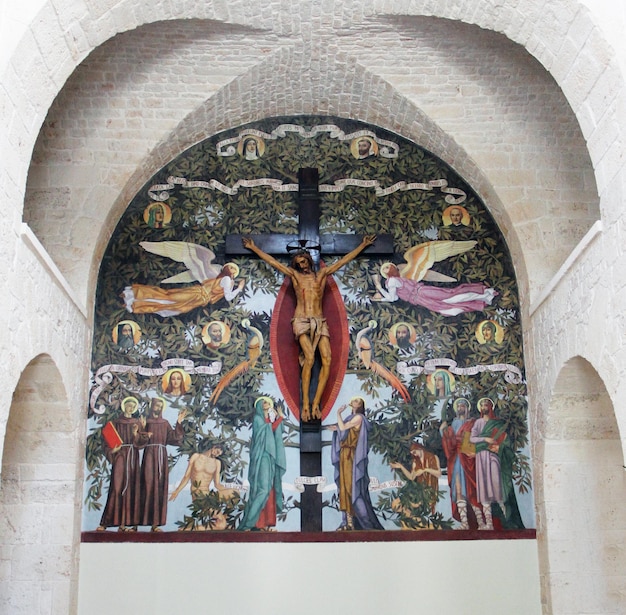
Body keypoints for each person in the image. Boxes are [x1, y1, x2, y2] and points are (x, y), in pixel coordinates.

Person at [243, 234, 376, 421]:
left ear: (309, 261)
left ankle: (316, 403)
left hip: (320, 321)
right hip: (301, 320)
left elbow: (342, 262)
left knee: (328, 360)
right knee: (310, 358)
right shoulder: (295, 276)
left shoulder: (321, 275)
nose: (302, 265)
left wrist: (362, 246)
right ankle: (305, 403)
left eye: (304, 261)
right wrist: (254, 248)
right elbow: (275, 264)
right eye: (299, 263)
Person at [470, 397, 524, 530]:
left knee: (497, 486)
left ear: (491, 407)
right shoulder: (478, 422)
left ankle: (507, 520)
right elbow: (471, 438)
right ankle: (489, 524)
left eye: (486, 404)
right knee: (483, 487)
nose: (484, 407)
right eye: (482, 405)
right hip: (481, 457)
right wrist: (486, 439)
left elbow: (506, 441)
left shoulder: (498, 424)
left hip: (494, 456)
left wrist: (498, 447)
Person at [329, 398, 383, 530]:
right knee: (344, 489)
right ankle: (349, 522)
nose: (353, 401)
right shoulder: (351, 417)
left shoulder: (358, 418)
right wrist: (336, 429)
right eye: (353, 400)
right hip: (344, 456)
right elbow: (342, 431)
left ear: (360, 405)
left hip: (351, 457)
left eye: (357, 401)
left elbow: (343, 427)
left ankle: (363, 522)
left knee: (352, 488)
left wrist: (338, 414)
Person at [373, 262, 497, 316]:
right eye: (385, 269)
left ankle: (483, 294)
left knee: (449, 297)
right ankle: (482, 298)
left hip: (421, 293)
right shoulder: (394, 280)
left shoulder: (392, 281)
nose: (387, 269)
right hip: (420, 297)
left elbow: (391, 298)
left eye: (388, 267)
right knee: (448, 304)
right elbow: (393, 298)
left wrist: (379, 288)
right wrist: (380, 291)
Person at [97, 397, 147, 532]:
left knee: (132, 487)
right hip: (120, 456)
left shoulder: (137, 423)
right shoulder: (115, 422)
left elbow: (142, 443)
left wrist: (136, 433)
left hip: (133, 456)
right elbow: (106, 441)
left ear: (134, 408)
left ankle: (130, 523)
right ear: (124, 407)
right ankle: (108, 522)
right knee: (117, 487)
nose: (130, 408)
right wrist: (113, 450)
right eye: (128, 406)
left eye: (132, 406)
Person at [124, 262, 243, 317]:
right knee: (169, 299)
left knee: (170, 303)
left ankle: (135, 300)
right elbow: (228, 297)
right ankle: (134, 297)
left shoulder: (226, 280)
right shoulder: (226, 279)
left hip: (198, 297)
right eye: (231, 267)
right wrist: (239, 288)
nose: (232, 269)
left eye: (233, 269)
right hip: (198, 295)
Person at [238, 397, 287, 531]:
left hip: (270, 458)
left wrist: (278, 419)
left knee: (269, 490)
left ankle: (263, 523)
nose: (267, 404)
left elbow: (275, 432)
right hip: (262, 457)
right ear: (259, 405)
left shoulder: (268, 421)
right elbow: (266, 432)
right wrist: (279, 419)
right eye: (264, 402)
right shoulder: (258, 419)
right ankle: (249, 523)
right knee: (263, 490)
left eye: (268, 402)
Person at [139, 398, 187, 531]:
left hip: (161, 455)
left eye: (160, 406)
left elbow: (174, 438)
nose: (158, 408)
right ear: (151, 406)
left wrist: (179, 422)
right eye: (156, 405)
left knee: (159, 487)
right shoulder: (146, 422)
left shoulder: (165, 423)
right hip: (149, 455)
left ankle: (155, 524)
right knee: (147, 484)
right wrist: (143, 429)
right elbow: (139, 440)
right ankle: (141, 521)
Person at [440, 398, 481, 529]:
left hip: (469, 460)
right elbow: (449, 440)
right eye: (458, 406)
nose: (460, 408)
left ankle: (481, 522)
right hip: (456, 459)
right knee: (458, 489)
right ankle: (464, 523)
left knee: (472, 490)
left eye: (462, 406)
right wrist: (444, 431)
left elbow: (476, 439)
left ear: (467, 408)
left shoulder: (473, 423)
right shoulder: (455, 423)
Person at [390, 441, 441, 514]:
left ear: (419, 448)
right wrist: (401, 467)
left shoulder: (433, 457)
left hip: (431, 487)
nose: (414, 455)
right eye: (412, 453)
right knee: (412, 503)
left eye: (414, 452)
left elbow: (438, 474)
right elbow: (411, 477)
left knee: (427, 505)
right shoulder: (415, 461)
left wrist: (424, 470)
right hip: (420, 489)